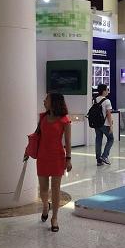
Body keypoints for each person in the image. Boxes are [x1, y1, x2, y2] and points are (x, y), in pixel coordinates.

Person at [35, 92, 72, 232]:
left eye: (46, 99)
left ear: (54, 102)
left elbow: (68, 141)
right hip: (42, 156)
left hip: (57, 157)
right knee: (43, 188)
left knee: (56, 188)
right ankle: (46, 205)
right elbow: (37, 135)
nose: (44, 101)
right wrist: (29, 150)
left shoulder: (64, 120)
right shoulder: (43, 117)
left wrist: (68, 159)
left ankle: (54, 218)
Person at [94, 84, 114, 166]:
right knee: (111, 139)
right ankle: (105, 156)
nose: (108, 91)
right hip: (105, 124)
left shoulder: (95, 100)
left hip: (97, 124)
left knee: (98, 140)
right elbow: (108, 114)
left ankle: (99, 160)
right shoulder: (107, 101)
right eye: (107, 89)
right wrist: (111, 126)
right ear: (103, 91)